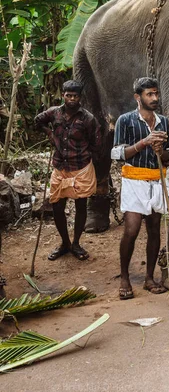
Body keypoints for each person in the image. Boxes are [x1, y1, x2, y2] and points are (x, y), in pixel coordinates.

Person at [111, 77, 169, 300]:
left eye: (156, 94)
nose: (155, 98)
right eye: (150, 94)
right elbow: (117, 154)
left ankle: (149, 278)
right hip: (134, 180)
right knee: (131, 229)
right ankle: (124, 277)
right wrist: (144, 143)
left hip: (157, 179)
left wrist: (161, 151)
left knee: (154, 228)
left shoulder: (164, 122)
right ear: (138, 97)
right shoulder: (125, 121)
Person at [34, 80, 100, 261]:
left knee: (80, 206)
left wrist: (90, 157)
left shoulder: (88, 119)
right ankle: (65, 243)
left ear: (80, 97)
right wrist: (50, 133)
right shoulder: (54, 113)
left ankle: (76, 243)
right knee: (57, 205)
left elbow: (96, 143)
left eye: (75, 96)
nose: (72, 99)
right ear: (63, 94)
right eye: (68, 95)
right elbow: (37, 121)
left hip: (80, 167)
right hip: (60, 166)